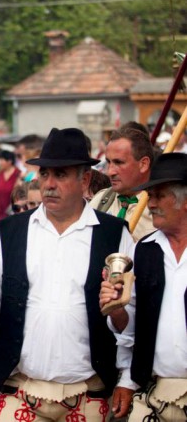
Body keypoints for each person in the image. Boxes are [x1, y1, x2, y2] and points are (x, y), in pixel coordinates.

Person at [0, 127, 135, 422]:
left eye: (61, 175)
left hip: (88, 393)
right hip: (20, 390)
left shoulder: (114, 235)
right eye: (44, 174)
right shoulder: (11, 231)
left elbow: (132, 315)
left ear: (85, 179)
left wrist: (127, 378)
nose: (49, 184)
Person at [100, 152, 187, 422]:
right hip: (153, 390)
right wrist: (116, 309)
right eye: (150, 196)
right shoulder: (144, 250)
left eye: (158, 196)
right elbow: (131, 327)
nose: (150, 205)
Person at [89, 126, 156, 241]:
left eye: (118, 162)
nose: (110, 172)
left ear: (143, 164)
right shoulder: (100, 201)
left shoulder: (162, 208)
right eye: (108, 162)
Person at [0, 150, 20, 226]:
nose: (0, 163)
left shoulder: (18, 174)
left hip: (13, 213)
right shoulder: (0, 174)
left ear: (9, 161)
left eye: (2, 160)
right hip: (0, 212)